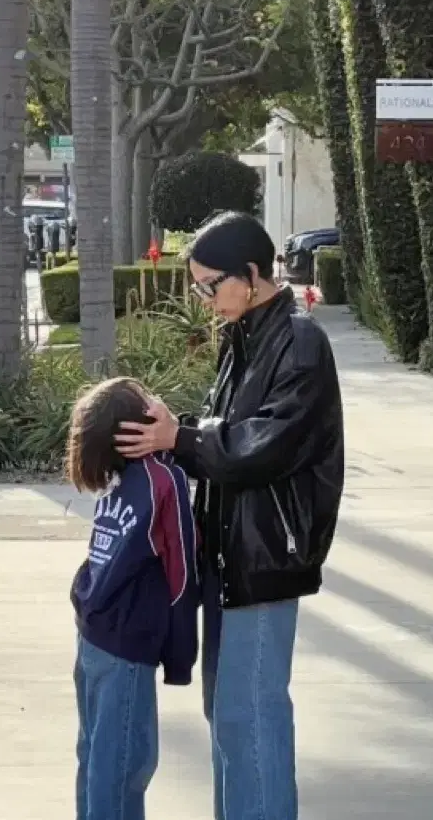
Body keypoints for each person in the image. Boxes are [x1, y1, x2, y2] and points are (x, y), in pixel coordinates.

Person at [115, 211, 345, 820]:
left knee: (252, 717)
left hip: (267, 557)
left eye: (210, 285)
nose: (205, 298)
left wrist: (180, 440)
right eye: (198, 287)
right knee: (229, 715)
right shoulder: (244, 336)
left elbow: (263, 445)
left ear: (250, 274)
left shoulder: (298, 340)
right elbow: (230, 433)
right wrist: (180, 433)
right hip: (229, 558)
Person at [68, 377, 199, 820]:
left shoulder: (118, 479)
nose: (157, 399)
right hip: (126, 652)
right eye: (148, 398)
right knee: (124, 769)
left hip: (91, 640)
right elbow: (182, 577)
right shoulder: (165, 481)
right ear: (138, 425)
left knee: (95, 761)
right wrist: (181, 661)